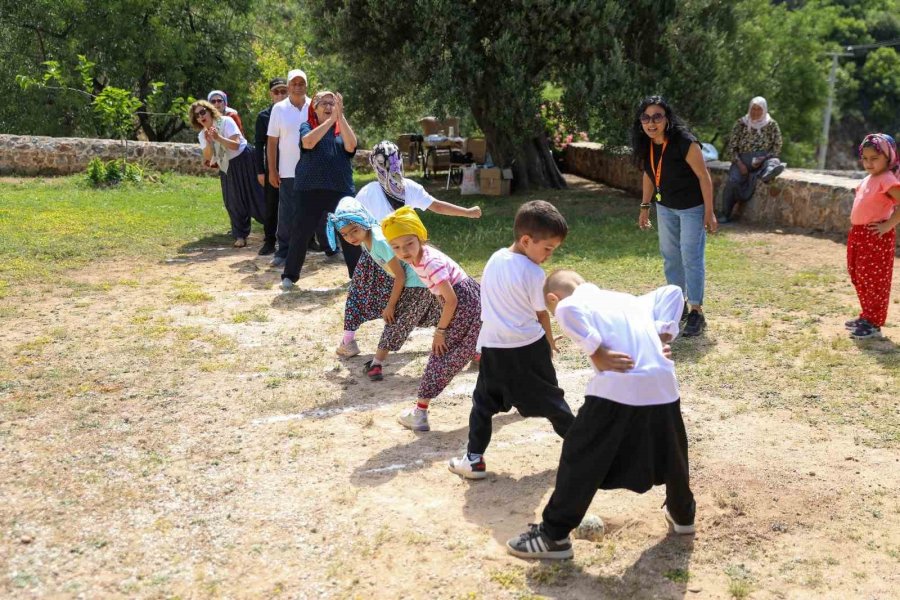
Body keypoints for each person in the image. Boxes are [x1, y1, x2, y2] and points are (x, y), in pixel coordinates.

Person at [506, 269, 695, 560]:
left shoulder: (572, 304)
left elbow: (567, 309)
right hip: (663, 384)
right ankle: (683, 516)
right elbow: (672, 292)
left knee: (580, 453)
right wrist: (661, 334)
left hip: (618, 385)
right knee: (673, 452)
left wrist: (596, 351)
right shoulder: (625, 300)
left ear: (552, 298)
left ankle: (553, 536)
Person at [447, 201, 575, 480]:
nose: (549, 256)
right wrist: (549, 341)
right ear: (526, 240)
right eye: (547, 249)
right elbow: (541, 313)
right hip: (529, 348)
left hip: (494, 348)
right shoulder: (534, 273)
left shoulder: (495, 258)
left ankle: (473, 459)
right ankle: (587, 449)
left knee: (483, 404)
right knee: (551, 400)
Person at [336, 140, 482, 363]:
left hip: (405, 256)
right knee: (361, 294)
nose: (391, 171)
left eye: (393, 164)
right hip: (382, 254)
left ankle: (467, 340)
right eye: (385, 165)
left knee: (435, 298)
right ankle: (348, 341)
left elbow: (436, 205)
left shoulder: (407, 188)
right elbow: (353, 217)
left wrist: (467, 212)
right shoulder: (371, 192)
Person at [382, 207, 482, 432]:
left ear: (420, 238)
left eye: (409, 243)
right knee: (487, 346)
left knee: (440, 354)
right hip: (468, 302)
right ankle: (517, 392)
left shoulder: (430, 263)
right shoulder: (418, 258)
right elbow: (442, 294)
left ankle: (419, 414)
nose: (403, 251)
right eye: (396, 247)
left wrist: (441, 331)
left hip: (463, 304)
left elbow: (452, 300)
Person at [327, 197, 443, 380]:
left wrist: (390, 305)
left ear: (363, 222)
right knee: (439, 316)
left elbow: (400, 275)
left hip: (417, 282)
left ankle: (376, 364)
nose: (350, 238)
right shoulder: (367, 240)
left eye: (354, 230)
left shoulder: (379, 241)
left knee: (395, 321)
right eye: (345, 235)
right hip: (422, 280)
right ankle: (475, 350)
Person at [632, 95, 716, 337]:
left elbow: (704, 176)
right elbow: (649, 175)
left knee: (691, 257)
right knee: (670, 257)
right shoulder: (646, 144)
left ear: (667, 118)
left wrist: (709, 212)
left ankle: (696, 311)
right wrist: (645, 206)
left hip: (692, 208)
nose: (651, 123)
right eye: (646, 118)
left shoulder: (685, 142)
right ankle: (677, 306)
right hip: (665, 207)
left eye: (657, 117)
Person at [281, 90, 362, 289]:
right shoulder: (307, 126)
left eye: (332, 103)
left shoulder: (342, 129)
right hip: (309, 189)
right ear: (314, 108)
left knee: (351, 230)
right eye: (324, 103)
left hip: (340, 189)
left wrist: (340, 118)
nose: (328, 107)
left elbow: (351, 146)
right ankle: (289, 276)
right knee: (300, 232)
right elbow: (308, 142)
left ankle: (359, 278)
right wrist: (331, 121)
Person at [845, 133, 900, 339]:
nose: (869, 163)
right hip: (859, 234)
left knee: (874, 280)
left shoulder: (887, 179)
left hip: (876, 236)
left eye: (874, 158)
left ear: (888, 157)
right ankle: (866, 315)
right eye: (865, 158)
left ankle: (874, 323)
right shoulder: (868, 178)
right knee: (859, 275)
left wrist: (887, 226)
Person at [189, 100, 264, 248]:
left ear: (210, 111)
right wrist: (209, 141)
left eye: (203, 112)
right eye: (197, 115)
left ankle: (274, 228)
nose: (201, 116)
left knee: (256, 195)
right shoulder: (202, 135)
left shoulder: (226, 121)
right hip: (227, 166)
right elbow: (208, 156)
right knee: (233, 200)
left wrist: (218, 138)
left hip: (245, 159)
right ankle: (240, 235)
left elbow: (236, 145)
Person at [266, 69, 311, 268]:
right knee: (286, 213)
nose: (298, 87)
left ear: (306, 86)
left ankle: (328, 248)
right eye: (294, 83)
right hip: (288, 170)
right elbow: (272, 141)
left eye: (301, 83)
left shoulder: (315, 105)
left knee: (316, 210)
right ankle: (283, 251)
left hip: (313, 169)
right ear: (289, 85)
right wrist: (272, 170)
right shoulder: (279, 109)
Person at [720, 97, 786, 223]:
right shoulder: (741, 123)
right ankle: (725, 214)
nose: (755, 112)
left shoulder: (771, 124)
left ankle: (768, 173)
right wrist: (740, 164)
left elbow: (777, 145)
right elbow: (732, 147)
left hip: (763, 159)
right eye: (753, 109)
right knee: (732, 182)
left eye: (759, 109)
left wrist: (764, 158)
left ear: (764, 110)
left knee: (773, 161)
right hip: (742, 160)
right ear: (749, 109)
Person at [253, 78, 289, 256]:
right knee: (271, 204)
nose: (280, 95)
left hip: (293, 165)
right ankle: (269, 241)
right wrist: (261, 171)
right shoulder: (264, 116)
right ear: (271, 94)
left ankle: (308, 240)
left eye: (283, 91)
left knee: (299, 203)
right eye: (276, 92)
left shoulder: (296, 112)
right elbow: (259, 145)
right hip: (273, 166)